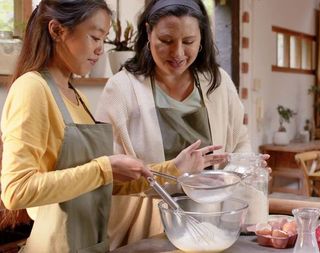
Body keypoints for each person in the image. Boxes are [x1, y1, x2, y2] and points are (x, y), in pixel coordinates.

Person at [0, 1, 224, 252]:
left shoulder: (77, 97)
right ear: (57, 31)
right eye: (95, 37)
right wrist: (105, 168)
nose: (99, 50)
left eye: (103, 39)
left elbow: (101, 182)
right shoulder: (32, 88)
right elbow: (16, 191)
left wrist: (174, 168)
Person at [95, 0, 256, 248]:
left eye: (189, 42)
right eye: (167, 41)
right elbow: (107, 174)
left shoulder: (218, 83)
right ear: (149, 33)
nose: (178, 53)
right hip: (144, 229)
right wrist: (173, 170)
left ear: (202, 36)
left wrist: (244, 166)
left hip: (212, 223)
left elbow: (240, 140)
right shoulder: (121, 90)